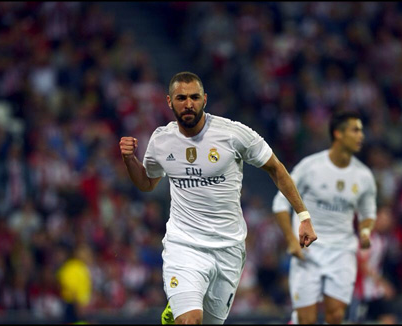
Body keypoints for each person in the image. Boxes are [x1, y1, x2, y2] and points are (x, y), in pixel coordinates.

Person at [118, 71, 317, 324]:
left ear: (205, 99)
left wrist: (303, 216)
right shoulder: (161, 140)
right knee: (191, 320)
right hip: (184, 244)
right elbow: (147, 183)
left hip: (228, 247)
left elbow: (276, 168)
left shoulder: (233, 134)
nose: (188, 104)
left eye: (194, 97)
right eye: (181, 98)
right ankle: (181, 311)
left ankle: (176, 312)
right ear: (169, 101)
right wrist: (129, 160)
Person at [272, 111, 377, 324]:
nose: (361, 136)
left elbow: (368, 213)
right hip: (309, 250)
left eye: (361, 131)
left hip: (342, 251)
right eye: (355, 130)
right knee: (306, 320)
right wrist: (291, 240)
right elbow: (280, 203)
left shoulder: (364, 176)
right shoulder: (310, 167)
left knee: (336, 316)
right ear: (338, 133)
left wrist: (365, 231)